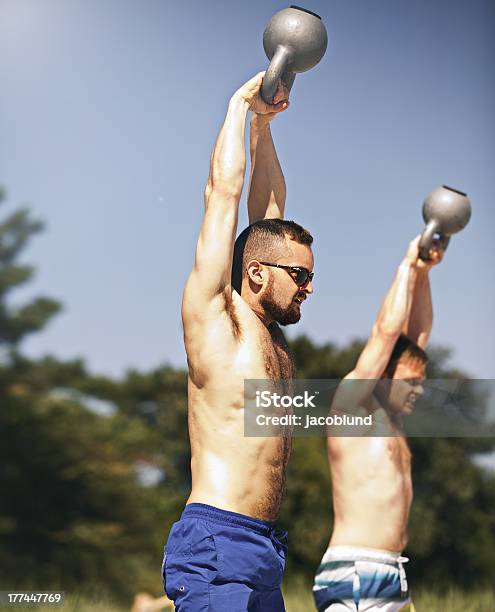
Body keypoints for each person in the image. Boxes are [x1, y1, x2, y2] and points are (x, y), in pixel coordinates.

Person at [162, 72, 314, 611]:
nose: (309, 287)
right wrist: (237, 106)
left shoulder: (268, 335)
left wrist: (264, 127)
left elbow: (270, 221)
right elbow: (222, 196)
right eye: (298, 277)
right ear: (254, 274)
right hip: (215, 544)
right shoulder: (214, 319)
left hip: (264, 550)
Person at [313, 236, 443, 612]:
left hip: (393, 574)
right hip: (355, 571)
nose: (418, 389)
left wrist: (423, 272)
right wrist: (406, 263)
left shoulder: (393, 417)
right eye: (411, 381)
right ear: (383, 376)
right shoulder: (353, 408)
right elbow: (386, 334)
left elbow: (416, 338)